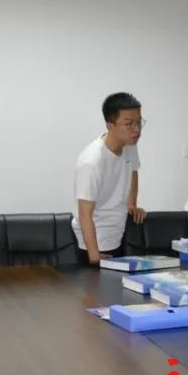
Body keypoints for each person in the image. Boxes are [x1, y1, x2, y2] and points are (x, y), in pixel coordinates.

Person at [72, 92, 147, 266]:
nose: (137, 130)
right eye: (129, 124)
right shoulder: (91, 161)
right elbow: (84, 214)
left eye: (139, 122)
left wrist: (131, 204)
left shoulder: (129, 145)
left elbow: (133, 171)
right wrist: (94, 257)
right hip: (94, 243)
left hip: (118, 234)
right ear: (110, 125)